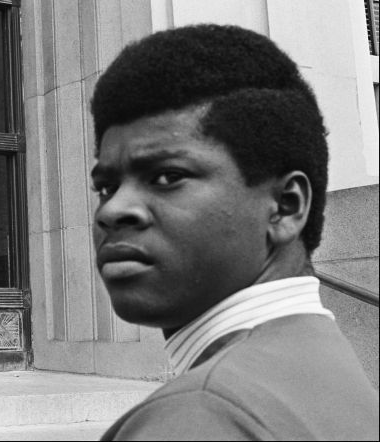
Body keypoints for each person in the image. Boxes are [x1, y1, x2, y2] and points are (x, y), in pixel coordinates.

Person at [88, 24, 379, 440]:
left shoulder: (200, 416)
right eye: (106, 187)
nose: (113, 210)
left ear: (286, 206)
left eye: (167, 177)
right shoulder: (331, 373)